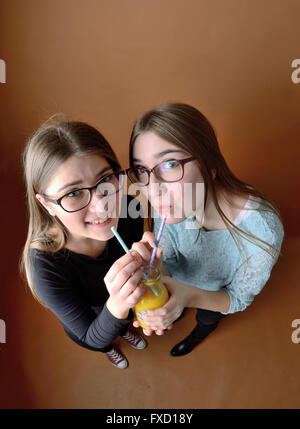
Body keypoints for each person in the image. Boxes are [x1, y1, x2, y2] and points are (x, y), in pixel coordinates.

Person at [126, 102, 284, 356]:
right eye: (142, 170)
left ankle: (198, 335)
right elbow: (170, 255)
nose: (151, 189)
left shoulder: (263, 230)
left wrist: (189, 297)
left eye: (169, 164)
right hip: (177, 287)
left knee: (207, 321)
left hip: (213, 299)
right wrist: (156, 271)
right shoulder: (172, 200)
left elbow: (236, 298)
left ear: (209, 165)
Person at [21, 117, 160, 369]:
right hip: (90, 324)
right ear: (46, 204)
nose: (102, 205)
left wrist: (152, 268)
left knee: (121, 322)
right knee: (104, 340)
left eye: (106, 179)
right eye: (73, 193)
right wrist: (117, 304)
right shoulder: (44, 267)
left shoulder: (131, 209)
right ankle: (111, 347)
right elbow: (89, 336)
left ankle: (123, 329)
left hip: (123, 309)